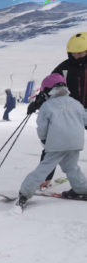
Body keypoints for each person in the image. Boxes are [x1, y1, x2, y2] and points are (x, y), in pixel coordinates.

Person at [16, 73, 87, 208]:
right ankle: (82, 189)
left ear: (48, 91)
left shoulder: (48, 106)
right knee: (72, 168)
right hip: (75, 143)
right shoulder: (76, 104)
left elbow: (42, 127)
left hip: (57, 144)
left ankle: (25, 192)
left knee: (43, 169)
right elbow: (85, 119)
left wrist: (44, 139)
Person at [51, 32, 87, 109]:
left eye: (80, 53)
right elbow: (49, 84)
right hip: (71, 114)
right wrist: (40, 99)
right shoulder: (64, 67)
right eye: (73, 53)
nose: (76, 57)